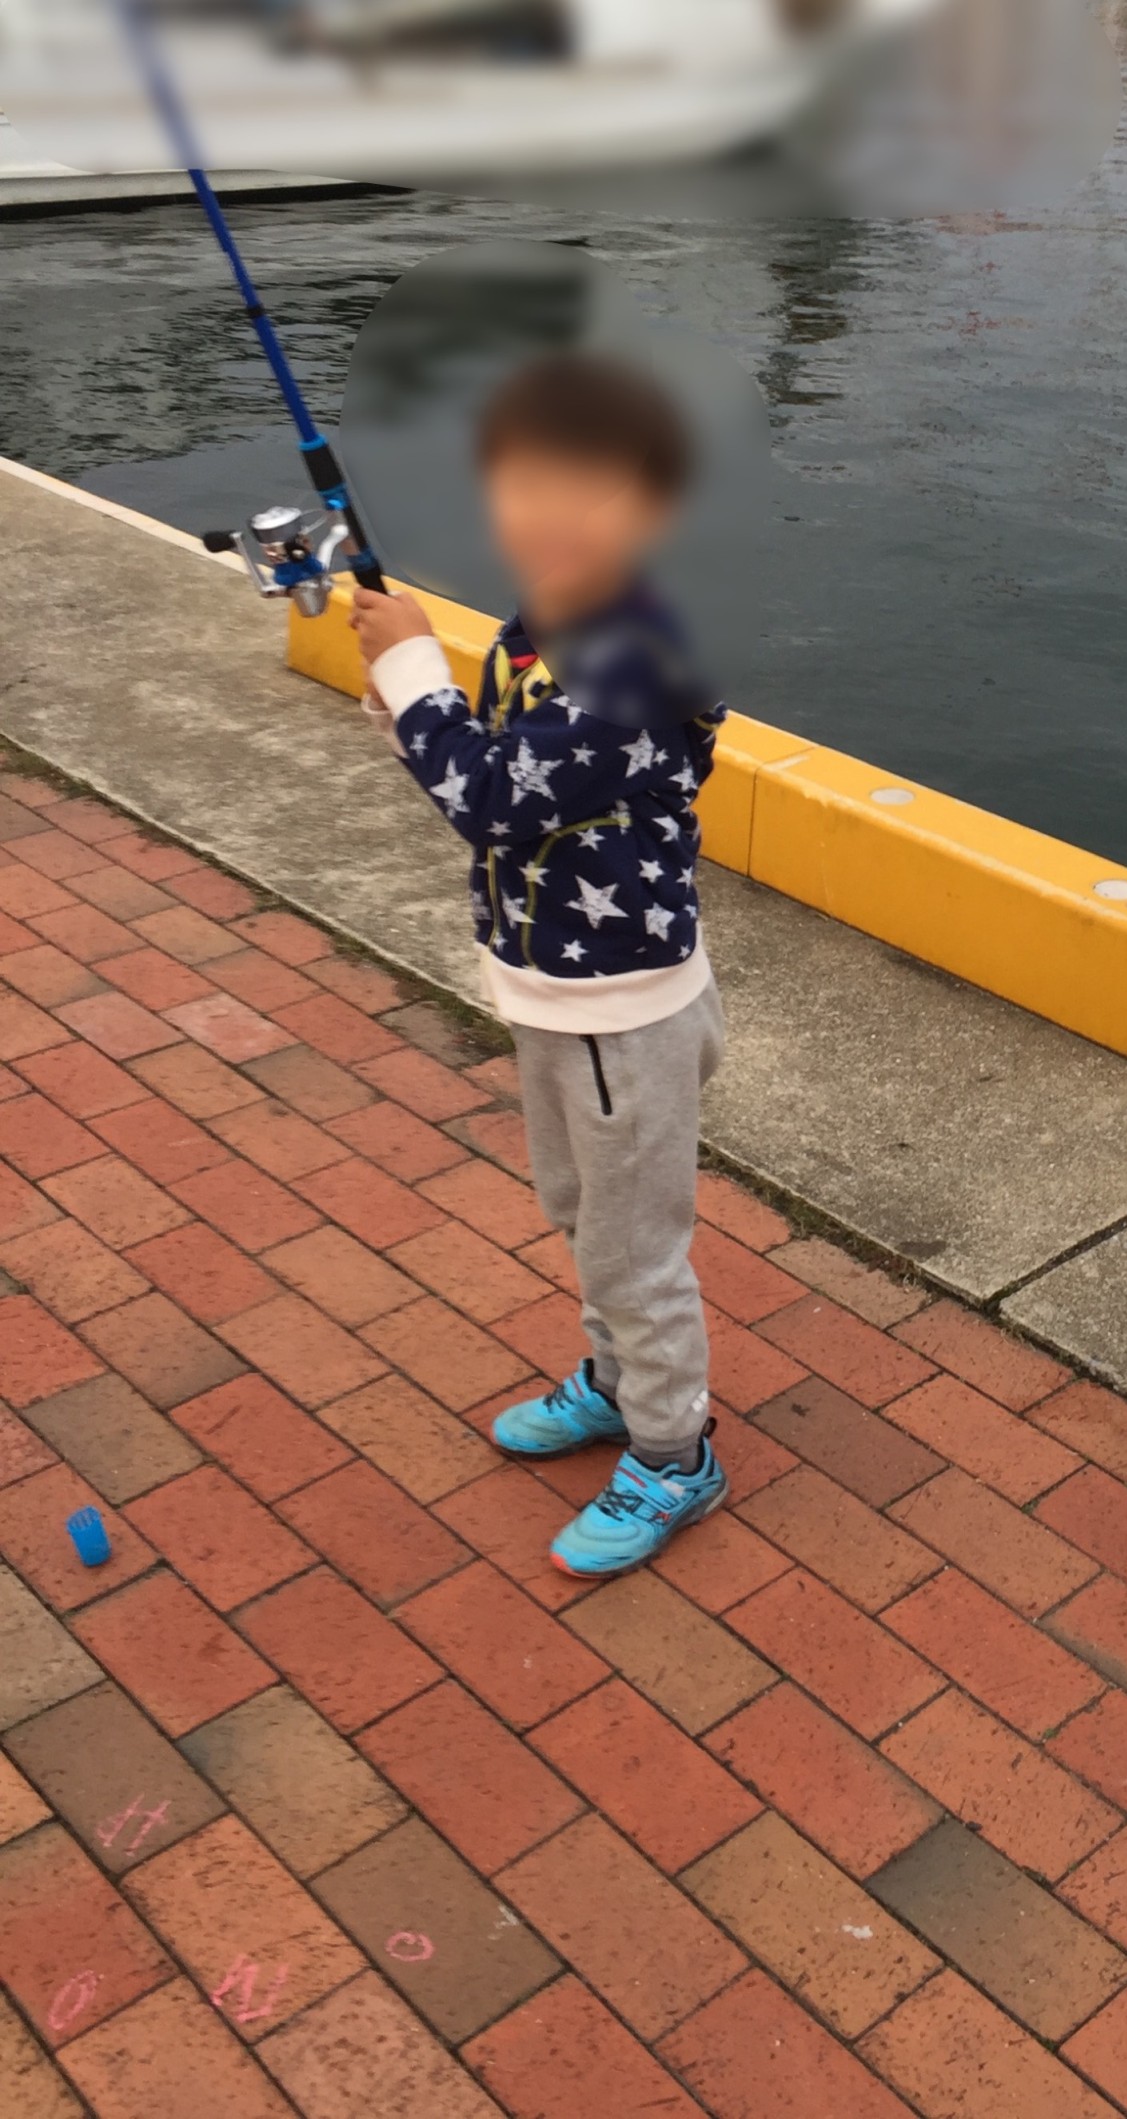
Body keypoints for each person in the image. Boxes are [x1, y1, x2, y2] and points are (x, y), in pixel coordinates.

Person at [351, 350, 728, 1578]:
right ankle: (618, 1383)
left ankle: (674, 1451)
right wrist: (407, 699)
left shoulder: (636, 657)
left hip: (625, 1013)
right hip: (553, 994)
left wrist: (411, 669)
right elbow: (485, 773)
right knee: (579, 1210)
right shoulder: (542, 631)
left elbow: (491, 798)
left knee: (633, 1248)